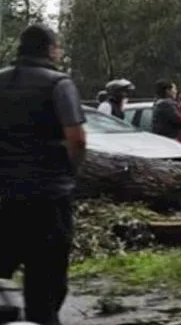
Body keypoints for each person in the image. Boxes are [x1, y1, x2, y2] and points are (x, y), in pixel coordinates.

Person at [0, 24, 86, 325]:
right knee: (45, 290)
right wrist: (70, 174)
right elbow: (77, 139)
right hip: (47, 199)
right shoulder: (59, 84)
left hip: (3, 199)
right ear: (50, 49)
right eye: (58, 48)